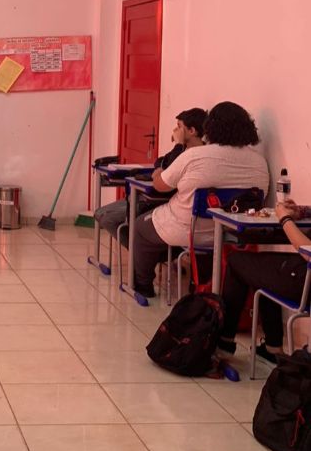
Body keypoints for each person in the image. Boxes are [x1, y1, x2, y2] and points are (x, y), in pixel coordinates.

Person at [124, 101, 269, 298]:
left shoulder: (195, 155)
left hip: (188, 229)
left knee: (140, 228)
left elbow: (160, 186)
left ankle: (143, 286)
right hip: (234, 235)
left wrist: (158, 172)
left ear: (210, 128)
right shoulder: (259, 161)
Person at [219, 197, 311, 363]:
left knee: (236, 262)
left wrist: (285, 218)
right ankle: (272, 347)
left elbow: (308, 251)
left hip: (305, 281)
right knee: (261, 267)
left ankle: (223, 344)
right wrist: (301, 212)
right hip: (303, 272)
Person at [95, 108, 207, 239]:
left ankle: (136, 247)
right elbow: (160, 161)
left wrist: (177, 146)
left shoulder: (195, 155)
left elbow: (168, 172)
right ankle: (137, 247)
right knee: (100, 213)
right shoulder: (182, 149)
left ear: (192, 131)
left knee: (109, 218)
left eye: (179, 127)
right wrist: (163, 166)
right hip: (151, 200)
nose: (175, 131)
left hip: (166, 204)